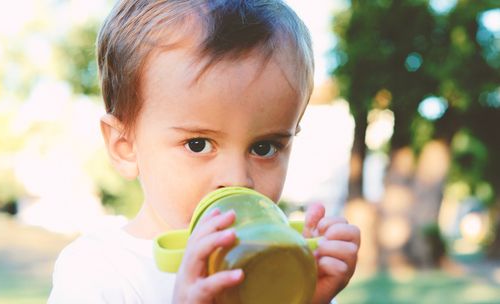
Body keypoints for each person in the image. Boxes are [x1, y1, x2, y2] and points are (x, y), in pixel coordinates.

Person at [49, 0, 360, 303]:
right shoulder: (97, 271)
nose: (238, 179)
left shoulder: (273, 265)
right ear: (125, 147)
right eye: (198, 144)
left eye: (264, 147)